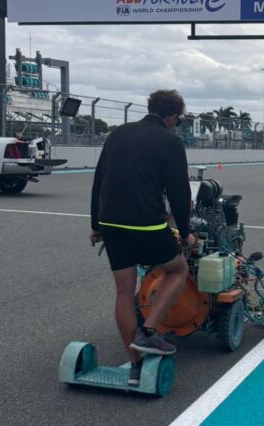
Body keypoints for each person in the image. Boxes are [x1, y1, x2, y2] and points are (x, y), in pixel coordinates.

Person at [89, 89, 194, 386]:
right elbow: (179, 192)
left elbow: (99, 179)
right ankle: (148, 333)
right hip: (146, 224)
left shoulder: (118, 134)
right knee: (178, 269)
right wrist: (185, 235)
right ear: (172, 116)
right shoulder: (171, 141)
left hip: (110, 221)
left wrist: (95, 224)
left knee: (124, 291)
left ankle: (134, 366)